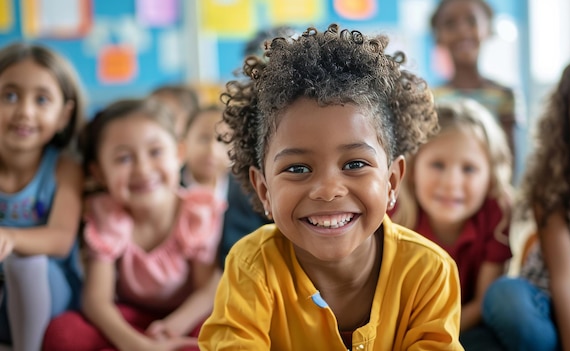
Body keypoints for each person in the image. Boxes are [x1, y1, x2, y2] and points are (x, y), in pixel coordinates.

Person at [198, 24, 463, 350]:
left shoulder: (428, 271)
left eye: (354, 164)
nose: (328, 190)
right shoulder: (252, 267)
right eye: (297, 168)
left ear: (392, 180)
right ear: (264, 190)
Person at [42, 99, 225, 351]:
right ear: (99, 173)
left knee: (220, 334)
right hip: (131, 318)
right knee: (63, 332)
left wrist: (173, 327)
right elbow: (97, 301)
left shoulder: (196, 213)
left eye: (155, 152)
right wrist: (136, 344)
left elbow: (208, 288)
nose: (143, 168)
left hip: (186, 318)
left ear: (179, 154)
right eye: (123, 158)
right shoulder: (107, 217)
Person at [481, 41, 570, 351]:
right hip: (553, 315)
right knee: (506, 299)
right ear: (566, 124)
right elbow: (566, 282)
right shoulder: (554, 187)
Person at [391, 98, 512, 351]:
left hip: (463, 326)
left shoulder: (496, 213)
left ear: (490, 178)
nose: (451, 183)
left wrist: (429, 338)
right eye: (437, 165)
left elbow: (482, 303)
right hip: (400, 328)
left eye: (469, 169)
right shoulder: (394, 213)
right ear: (412, 170)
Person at [0, 42, 85, 351]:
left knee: (27, 262)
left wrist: (9, 237)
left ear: (64, 115)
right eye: (9, 96)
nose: (25, 111)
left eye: (42, 99)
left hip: (49, 296)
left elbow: (61, 239)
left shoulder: (65, 168)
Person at [430, 0, 522, 160]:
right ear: (438, 35)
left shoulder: (504, 95)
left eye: (471, 21)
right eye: (450, 24)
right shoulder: (428, 98)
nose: (462, 31)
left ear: (488, 29)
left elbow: (509, 159)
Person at [180, 105, 270, 267]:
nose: (212, 150)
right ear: (184, 142)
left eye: (223, 141)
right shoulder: (170, 189)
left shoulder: (249, 191)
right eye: (203, 138)